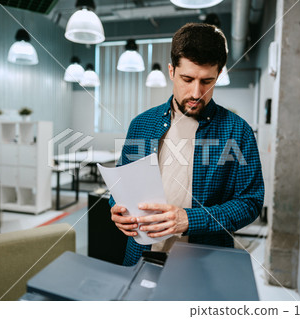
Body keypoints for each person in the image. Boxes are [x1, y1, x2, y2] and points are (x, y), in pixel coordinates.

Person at [109, 23, 264, 266]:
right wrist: (117, 209)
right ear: (171, 71)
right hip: (142, 256)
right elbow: (121, 185)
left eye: (206, 81)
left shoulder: (237, 130)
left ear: (219, 75)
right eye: (187, 79)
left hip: (206, 262)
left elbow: (250, 202)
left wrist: (190, 220)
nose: (196, 92)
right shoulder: (141, 124)